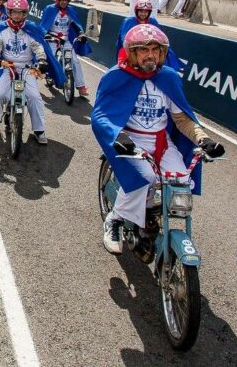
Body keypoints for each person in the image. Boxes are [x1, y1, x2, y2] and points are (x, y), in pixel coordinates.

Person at [91, 24, 224, 254]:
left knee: (180, 182)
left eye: (156, 49)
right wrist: (119, 136)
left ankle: (150, 218)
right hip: (130, 139)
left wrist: (203, 139)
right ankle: (114, 220)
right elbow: (101, 115)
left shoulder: (168, 78)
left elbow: (182, 119)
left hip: (161, 142)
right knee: (146, 177)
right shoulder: (116, 76)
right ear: (132, 52)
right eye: (143, 50)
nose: (150, 55)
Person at [0, 0, 65, 145]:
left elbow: (38, 46)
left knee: (35, 97)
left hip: (28, 69)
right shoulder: (2, 28)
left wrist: (42, 59)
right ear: (8, 12)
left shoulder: (31, 28)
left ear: (25, 13)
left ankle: (39, 130)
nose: (17, 15)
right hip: (8, 67)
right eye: (14, 12)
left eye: (21, 12)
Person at [39, 0, 92, 96]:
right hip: (52, 38)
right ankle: (50, 75)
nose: (64, 2)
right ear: (57, 0)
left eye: (66, 0)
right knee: (51, 58)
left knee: (75, 61)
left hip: (66, 39)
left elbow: (77, 25)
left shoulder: (71, 10)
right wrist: (46, 35)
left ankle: (81, 86)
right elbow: (44, 25)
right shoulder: (50, 9)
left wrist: (81, 34)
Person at [115, 0, 182, 71]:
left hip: (149, 47)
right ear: (136, 11)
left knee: (167, 50)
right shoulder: (128, 21)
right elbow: (124, 40)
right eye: (141, 11)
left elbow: (159, 36)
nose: (143, 14)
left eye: (146, 12)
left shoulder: (153, 21)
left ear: (149, 13)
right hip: (133, 48)